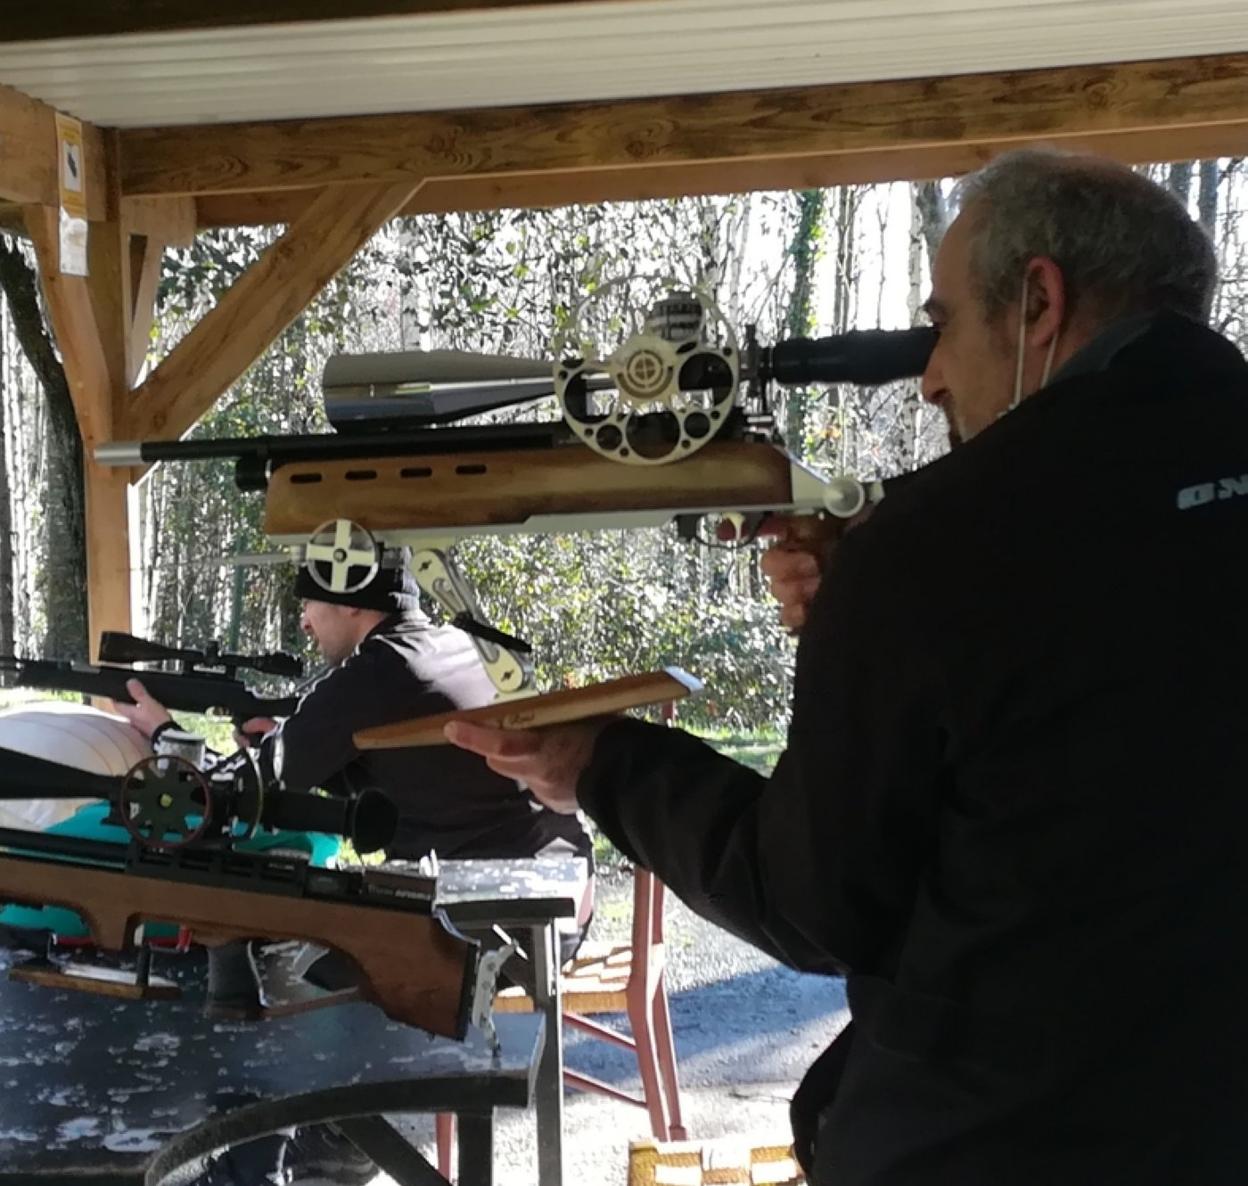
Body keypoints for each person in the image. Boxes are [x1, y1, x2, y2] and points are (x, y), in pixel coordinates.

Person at [446, 147, 1248, 1184]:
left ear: (1039, 300)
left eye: (945, 323)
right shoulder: (935, 550)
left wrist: (599, 764)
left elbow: (813, 900)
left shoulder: (939, 541)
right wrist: (860, 615)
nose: (929, 377)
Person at [117, 556, 593, 1186]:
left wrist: (165, 733)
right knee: (315, 959)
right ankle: (317, 1155)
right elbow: (384, 771)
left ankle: (287, 1163)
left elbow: (233, 790)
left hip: (498, 923)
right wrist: (286, 740)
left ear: (350, 604)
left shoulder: (381, 669)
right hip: (543, 896)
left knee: (282, 962)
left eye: (312, 603)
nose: (305, 621)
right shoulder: (445, 642)